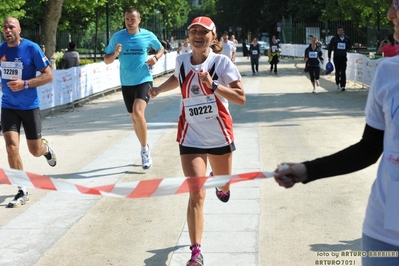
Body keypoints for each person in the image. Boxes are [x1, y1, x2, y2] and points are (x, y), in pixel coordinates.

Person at [274, 2, 399, 265]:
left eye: (397, 5)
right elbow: (368, 149)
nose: (390, 15)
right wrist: (307, 170)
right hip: (385, 232)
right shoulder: (389, 72)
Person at [149, 16, 245, 266]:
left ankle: (220, 183)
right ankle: (196, 252)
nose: (198, 35)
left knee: (223, 190)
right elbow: (178, 79)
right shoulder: (181, 60)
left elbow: (240, 98)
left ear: (213, 38)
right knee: (195, 192)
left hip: (219, 134)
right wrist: (159, 89)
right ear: (189, 36)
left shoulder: (222, 63)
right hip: (190, 135)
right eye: (194, 31)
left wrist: (213, 86)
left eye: (204, 32)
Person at [0, 17, 57, 208]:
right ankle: (22, 190)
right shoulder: (1, 50)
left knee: (35, 150)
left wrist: (25, 83)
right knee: (11, 147)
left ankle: (46, 149)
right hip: (8, 106)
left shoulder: (32, 48)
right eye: (4, 27)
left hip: (29, 106)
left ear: (19, 30)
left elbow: (48, 75)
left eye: (11, 27)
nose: (7, 30)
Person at [104, 7, 164, 170]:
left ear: (139, 20)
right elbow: (107, 60)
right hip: (127, 83)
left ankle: (144, 151)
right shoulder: (117, 37)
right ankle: (144, 145)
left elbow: (161, 48)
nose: (129, 22)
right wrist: (115, 53)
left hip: (144, 79)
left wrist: (155, 58)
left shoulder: (147, 35)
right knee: (134, 118)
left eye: (132, 19)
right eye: (127, 19)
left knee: (138, 113)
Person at [328, 26, 351, 91]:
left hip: (343, 57)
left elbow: (349, 46)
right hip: (336, 57)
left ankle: (343, 85)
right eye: (339, 30)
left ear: (343, 31)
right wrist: (329, 56)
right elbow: (330, 48)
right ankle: (337, 82)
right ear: (337, 32)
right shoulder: (334, 39)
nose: (340, 32)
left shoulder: (346, 39)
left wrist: (349, 49)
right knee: (337, 71)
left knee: (343, 71)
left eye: (341, 30)